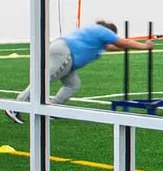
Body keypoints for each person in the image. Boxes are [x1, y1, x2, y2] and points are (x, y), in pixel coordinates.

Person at [13, 19, 152, 117]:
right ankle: (16, 106)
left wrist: (126, 47)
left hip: (65, 53)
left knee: (73, 84)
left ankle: (53, 108)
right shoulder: (104, 31)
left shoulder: (94, 33)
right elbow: (123, 42)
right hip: (65, 53)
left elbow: (112, 47)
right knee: (44, 79)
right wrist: (144, 46)